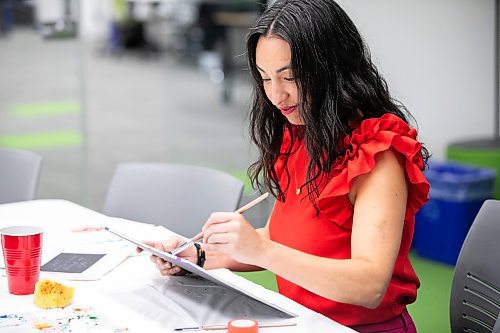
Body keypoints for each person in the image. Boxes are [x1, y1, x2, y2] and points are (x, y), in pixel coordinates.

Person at [140, 0, 430, 331]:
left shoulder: (377, 152)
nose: (277, 96)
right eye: (264, 78)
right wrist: (200, 255)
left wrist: (261, 250)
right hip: (302, 321)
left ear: (332, 67)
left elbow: (369, 285)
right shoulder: (302, 132)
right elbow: (290, 239)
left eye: (289, 77)